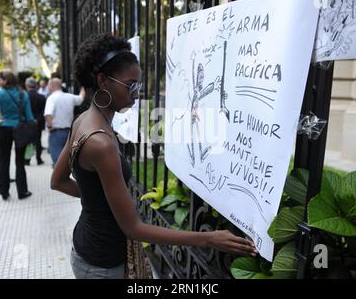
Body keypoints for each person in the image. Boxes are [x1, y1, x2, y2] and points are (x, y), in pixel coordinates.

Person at [50, 34, 258, 279]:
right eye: (131, 85)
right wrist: (208, 239)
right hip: (103, 264)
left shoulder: (84, 119)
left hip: (88, 247)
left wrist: (99, 199)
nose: (136, 95)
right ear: (103, 81)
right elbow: (133, 228)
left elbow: (58, 181)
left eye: (139, 86)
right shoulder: (100, 143)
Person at [0, 71, 34, 201]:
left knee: (4, 161)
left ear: (6, 81)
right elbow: (29, 117)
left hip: (4, 129)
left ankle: (4, 193)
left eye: (0, 80)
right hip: (20, 129)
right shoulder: (23, 94)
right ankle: (22, 192)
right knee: (20, 162)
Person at [44, 77, 85, 166]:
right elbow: (81, 99)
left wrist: (50, 126)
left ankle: (60, 179)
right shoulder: (69, 97)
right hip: (69, 133)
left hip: (56, 133)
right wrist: (83, 87)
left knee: (58, 163)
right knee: (68, 161)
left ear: (51, 86)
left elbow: (48, 114)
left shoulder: (51, 98)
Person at [25, 77, 46, 165]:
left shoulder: (24, 96)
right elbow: (43, 111)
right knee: (38, 141)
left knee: (28, 141)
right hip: (38, 122)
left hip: (27, 122)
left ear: (27, 85)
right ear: (36, 86)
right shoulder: (42, 97)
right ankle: (38, 159)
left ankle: (27, 160)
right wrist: (37, 119)